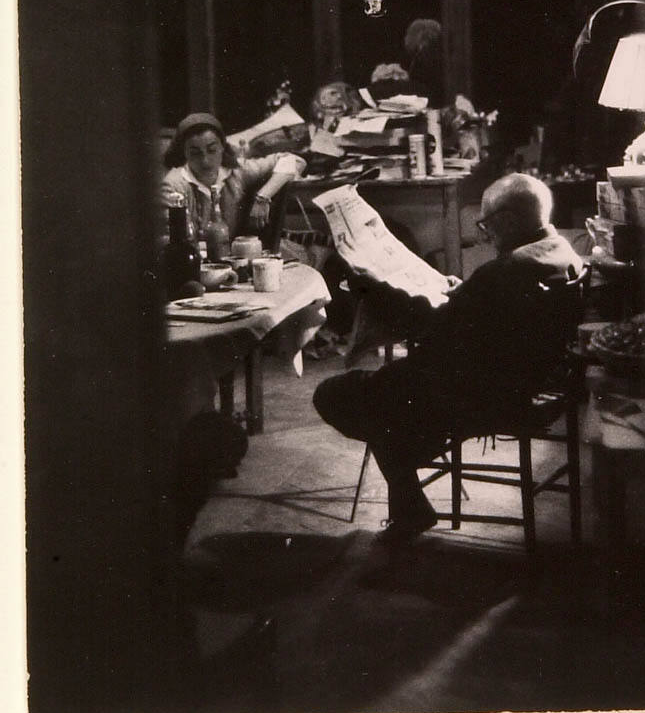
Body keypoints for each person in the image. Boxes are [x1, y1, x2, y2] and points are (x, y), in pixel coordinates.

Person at [312, 173, 585, 546]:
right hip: (532, 380)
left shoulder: (502, 273)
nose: (485, 234)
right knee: (386, 396)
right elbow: (489, 313)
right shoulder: (561, 251)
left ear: (507, 221)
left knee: (343, 394)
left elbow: (432, 333)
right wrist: (466, 293)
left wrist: (371, 288)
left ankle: (410, 499)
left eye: (486, 225)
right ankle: (410, 484)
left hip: (487, 394)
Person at [161, 111, 305, 241]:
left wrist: (262, 197)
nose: (205, 161)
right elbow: (167, 239)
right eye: (195, 153)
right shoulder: (173, 185)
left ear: (222, 147)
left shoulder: (236, 172)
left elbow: (292, 160)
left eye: (212, 150)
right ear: (184, 152)